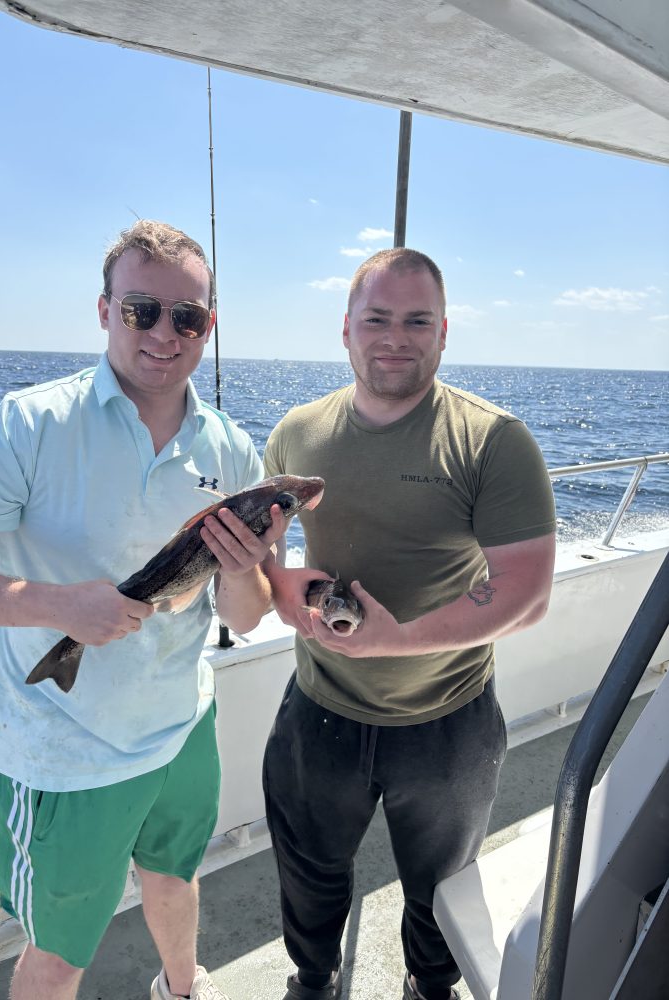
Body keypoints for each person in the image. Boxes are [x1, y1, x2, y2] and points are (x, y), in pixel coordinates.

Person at [0, 220, 287, 1000]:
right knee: (58, 956)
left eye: (186, 317)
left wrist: (245, 571)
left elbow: (249, 616)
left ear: (208, 326)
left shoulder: (230, 450)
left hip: (183, 727)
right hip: (65, 756)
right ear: (104, 310)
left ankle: (183, 989)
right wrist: (63, 609)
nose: (164, 333)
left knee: (176, 878)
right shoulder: (31, 425)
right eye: (140, 310)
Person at [262, 248, 557, 1000]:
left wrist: (399, 640)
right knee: (310, 871)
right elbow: (270, 562)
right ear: (346, 330)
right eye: (378, 319)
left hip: (447, 722)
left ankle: (431, 986)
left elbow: (526, 593)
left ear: (445, 331)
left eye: (417, 320)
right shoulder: (296, 433)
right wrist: (275, 585)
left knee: (440, 887)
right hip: (320, 710)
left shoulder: (494, 439)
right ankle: (313, 979)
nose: (396, 336)